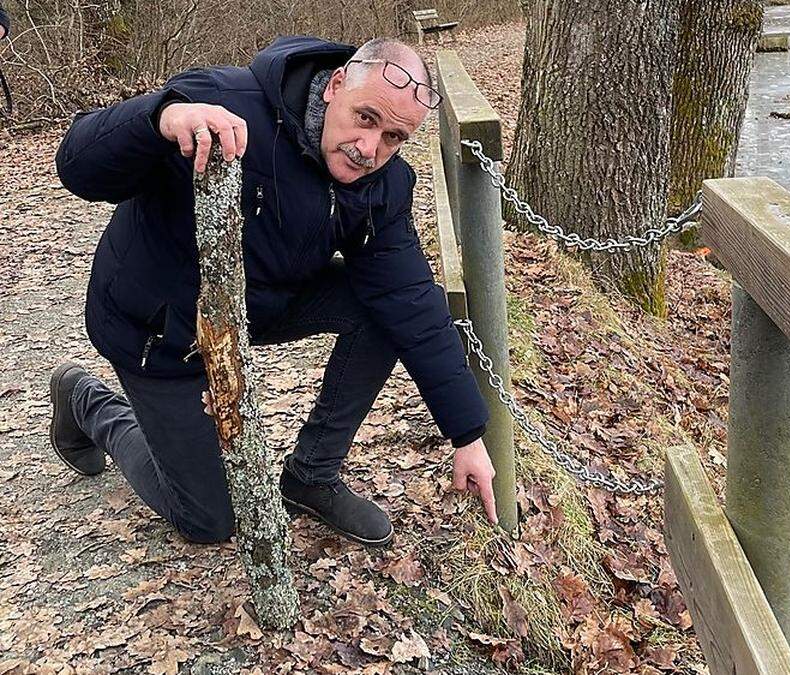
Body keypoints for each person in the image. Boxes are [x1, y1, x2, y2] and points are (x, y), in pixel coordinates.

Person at [49, 36, 498, 548]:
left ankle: (312, 473)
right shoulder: (223, 101)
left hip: (257, 310)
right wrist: (158, 118)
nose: (370, 148)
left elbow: (410, 302)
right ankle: (89, 402)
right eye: (366, 117)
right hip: (158, 330)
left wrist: (467, 434)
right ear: (334, 87)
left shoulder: (383, 185)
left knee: (386, 309)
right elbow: (78, 166)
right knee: (212, 521)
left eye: (395, 136)